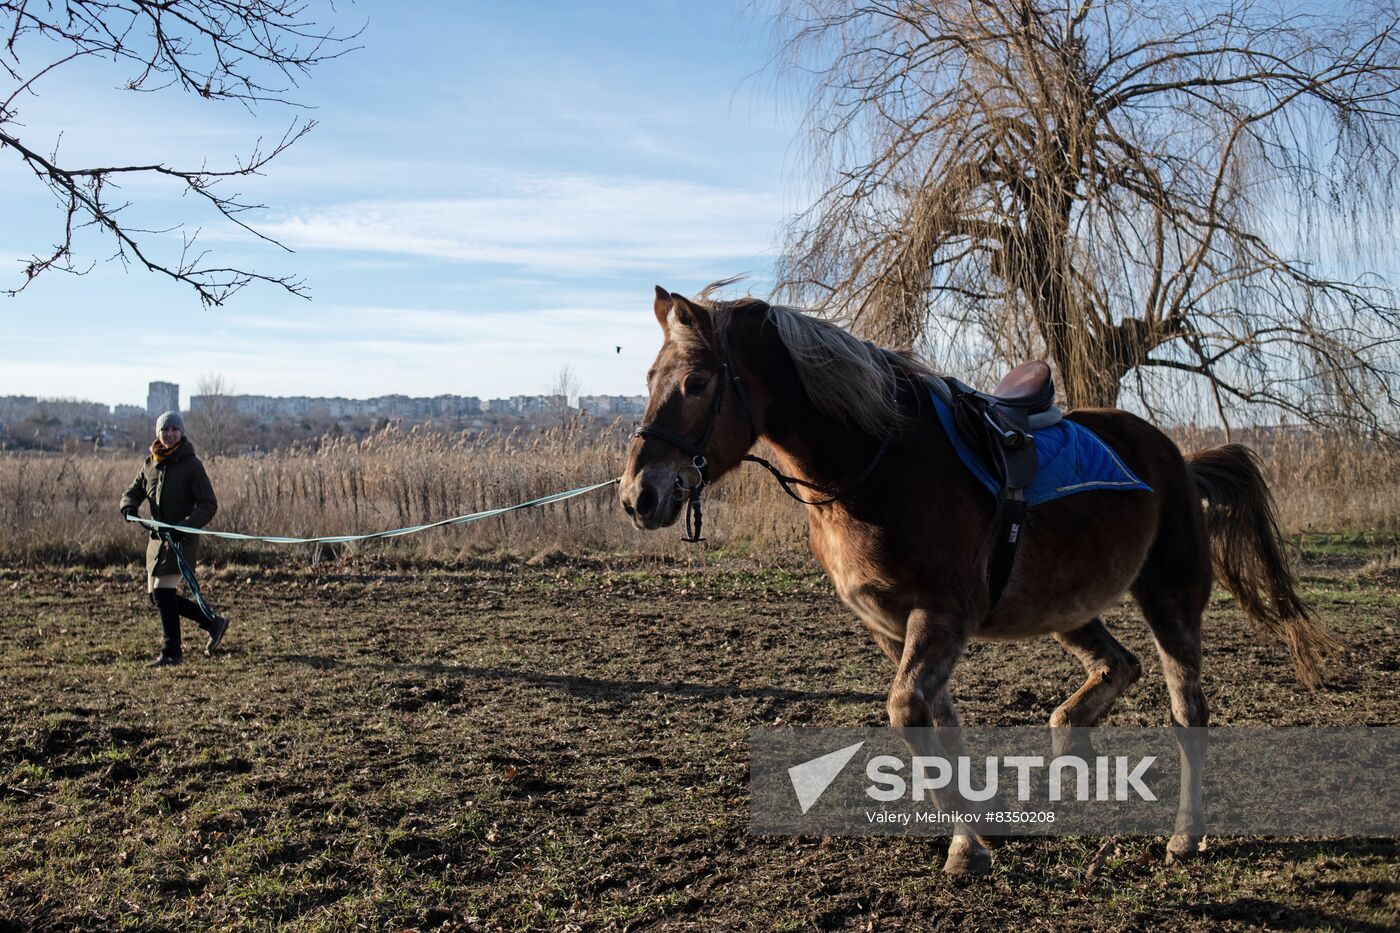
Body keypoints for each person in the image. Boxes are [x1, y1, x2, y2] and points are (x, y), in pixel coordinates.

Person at [120, 411, 228, 667]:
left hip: (181, 541)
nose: (170, 434)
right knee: (156, 597)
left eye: (174, 430)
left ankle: (172, 653)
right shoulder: (150, 464)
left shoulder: (192, 466)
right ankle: (213, 622)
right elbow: (134, 490)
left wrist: (186, 527)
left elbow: (208, 505)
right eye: (165, 430)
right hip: (157, 542)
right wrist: (129, 505)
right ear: (158, 433)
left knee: (163, 592)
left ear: (181, 433)